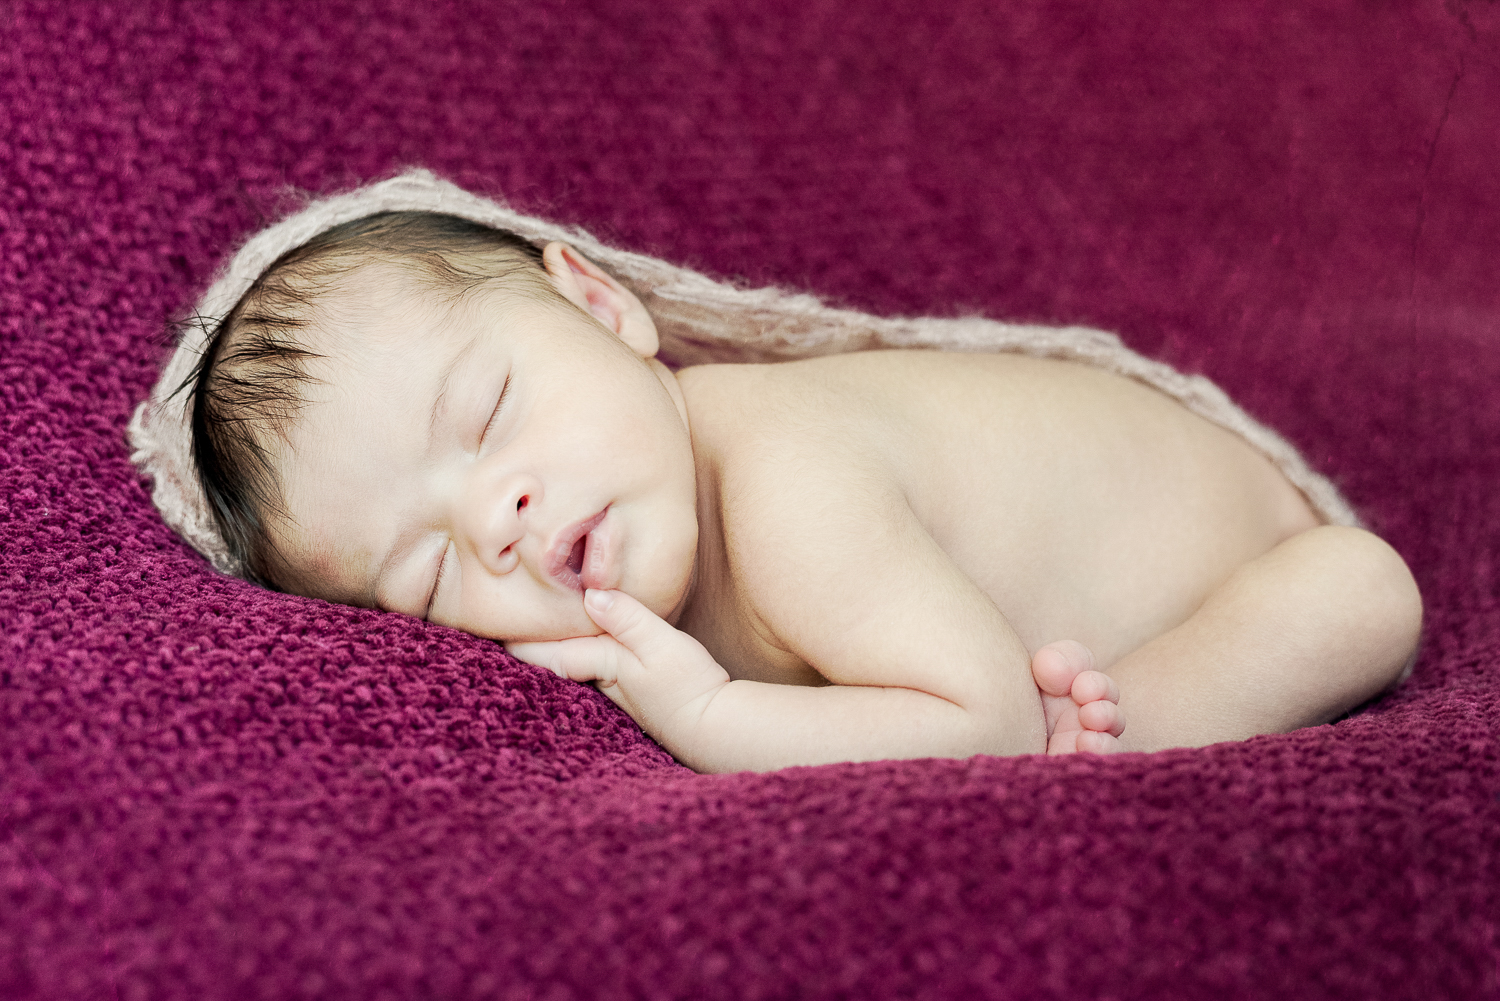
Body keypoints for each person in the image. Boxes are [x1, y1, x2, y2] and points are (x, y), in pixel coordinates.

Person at [139, 198, 1423, 775]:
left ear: (605, 305)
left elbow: (971, 723)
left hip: (1246, 549)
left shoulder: (783, 475)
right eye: (428, 571)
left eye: (490, 413)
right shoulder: (653, 537)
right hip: (1063, 607)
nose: (500, 520)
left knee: (1355, 591)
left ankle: (1145, 714)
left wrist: (718, 715)